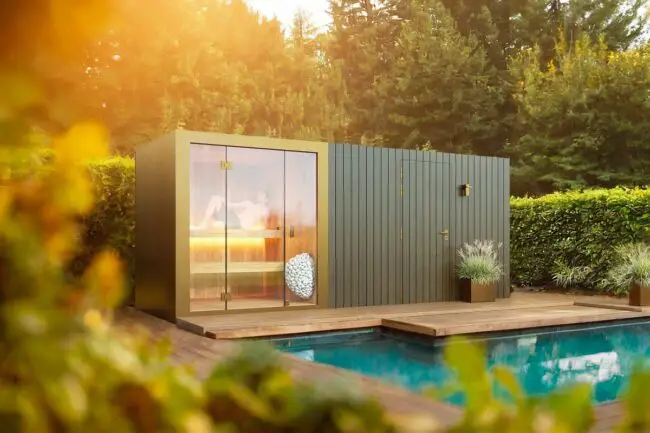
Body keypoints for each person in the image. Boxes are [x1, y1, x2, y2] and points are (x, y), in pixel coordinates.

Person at [193, 191, 271, 230]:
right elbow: (231, 205)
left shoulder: (264, 211)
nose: (259, 195)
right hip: (235, 220)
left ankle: (204, 224)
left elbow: (264, 223)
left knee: (215, 199)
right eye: (259, 194)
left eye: (262, 194)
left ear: (266, 199)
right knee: (215, 198)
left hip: (238, 224)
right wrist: (223, 199)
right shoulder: (250, 204)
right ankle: (203, 223)